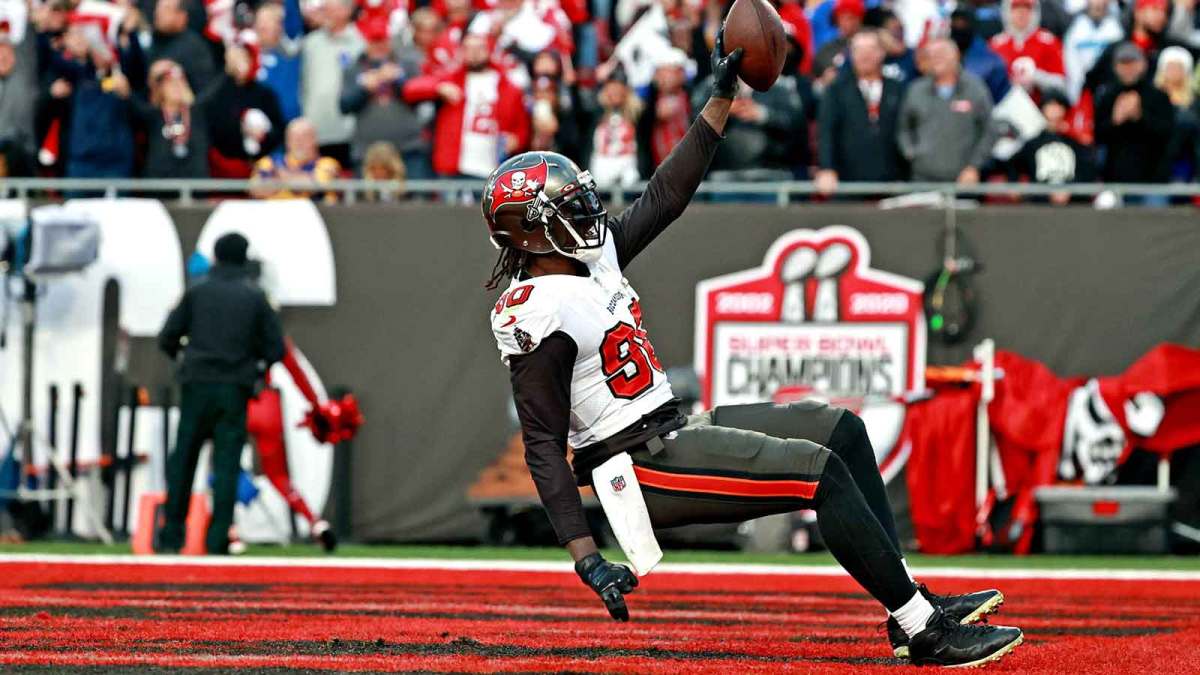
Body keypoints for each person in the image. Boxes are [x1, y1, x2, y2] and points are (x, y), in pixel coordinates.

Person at [481, 28, 1024, 669]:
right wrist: (587, 557)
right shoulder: (536, 308)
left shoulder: (586, 259)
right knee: (819, 472)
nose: (590, 210)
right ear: (534, 228)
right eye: (570, 204)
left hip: (671, 428)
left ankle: (911, 604)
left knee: (841, 430)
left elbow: (665, 195)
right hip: (639, 467)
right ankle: (924, 632)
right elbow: (543, 444)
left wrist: (720, 98)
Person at [157, 232, 286, 555]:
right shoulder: (255, 297)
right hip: (234, 388)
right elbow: (275, 348)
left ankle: (172, 536)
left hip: (197, 385)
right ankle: (217, 540)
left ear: (216, 257)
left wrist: (184, 360)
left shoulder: (197, 292)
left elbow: (167, 337)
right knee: (227, 464)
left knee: (184, 460)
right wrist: (253, 368)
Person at [401, 31, 528, 178]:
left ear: (489, 50)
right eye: (469, 49)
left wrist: (516, 140)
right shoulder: (452, 79)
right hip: (454, 167)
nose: (474, 54)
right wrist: (438, 88)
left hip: (494, 169)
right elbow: (410, 89)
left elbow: (521, 128)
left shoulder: (509, 87)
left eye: (479, 48)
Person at [817, 29, 907, 194]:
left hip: (891, 181)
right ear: (851, 55)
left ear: (882, 53)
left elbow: (906, 131)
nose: (865, 55)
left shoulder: (897, 89)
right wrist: (827, 168)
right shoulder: (836, 89)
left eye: (871, 49)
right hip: (847, 181)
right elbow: (826, 131)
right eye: (859, 50)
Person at [898, 38, 998, 184]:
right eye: (931, 55)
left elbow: (989, 130)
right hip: (923, 179)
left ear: (956, 55)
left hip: (963, 180)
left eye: (941, 53)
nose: (936, 58)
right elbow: (903, 128)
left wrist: (974, 166)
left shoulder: (976, 89)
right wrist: (910, 152)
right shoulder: (915, 90)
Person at [1094, 42, 1175, 184]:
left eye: (1132, 63)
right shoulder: (1107, 96)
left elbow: (1167, 135)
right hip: (1115, 178)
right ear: (1115, 67)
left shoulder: (1158, 96)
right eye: (1123, 64)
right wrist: (1115, 120)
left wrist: (1139, 116)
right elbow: (1097, 136)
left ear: (1143, 64)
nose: (1128, 69)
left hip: (1153, 179)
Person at [205, 40, 286, 178]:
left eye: (245, 58)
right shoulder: (218, 92)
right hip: (224, 167)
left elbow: (278, 130)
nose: (240, 64)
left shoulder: (265, 94)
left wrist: (263, 136)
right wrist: (240, 127)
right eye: (236, 58)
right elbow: (212, 124)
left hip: (260, 167)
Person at [300, 0, 364, 168]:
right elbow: (303, 83)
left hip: (350, 131)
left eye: (329, 9)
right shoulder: (310, 43)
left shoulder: (360, 42)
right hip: (316, 131)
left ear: (347, 11)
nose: (324, 13)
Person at [1011, 88, 1097, 203]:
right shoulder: (1033, 144)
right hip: (1040, 207)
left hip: (1073, 208)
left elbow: (1088, 175)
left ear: (1064, 109)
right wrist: (1014, 187)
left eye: (1058, 105)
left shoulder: (1075, 143)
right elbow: (1012, 164)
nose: (1054, 110)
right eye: (1050, 104)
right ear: (1042, 109)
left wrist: (1070, 191)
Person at [133, 59, 211, 178]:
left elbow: (216, 93)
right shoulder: (152, 115)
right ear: (160, 88)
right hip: (159, 189)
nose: (177, 86)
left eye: (180, 81)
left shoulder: (199, 112)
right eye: (170, 82)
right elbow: (131, 101)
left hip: (196, 188)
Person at [989, 0, 1067, 100]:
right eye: (1016, 8)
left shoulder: (1048, 42)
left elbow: (1062, 84)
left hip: (1040, 107)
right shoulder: (996, 45)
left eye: (1027, 9)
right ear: (1007, 11)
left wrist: (1036, 76)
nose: (1021, 13)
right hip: (1005, 106)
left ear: (1035, 12)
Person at [251, 117, 343, 202]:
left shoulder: (328, 163)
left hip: (315, 216)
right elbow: (255, 189)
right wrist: (298, 180)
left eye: (304, 137)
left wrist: (279, 178)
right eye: (294, 137)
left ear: (315, 140)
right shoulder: (268, 162)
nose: (299, 142)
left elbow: (317, 185)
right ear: (287, 141)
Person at [147, 0, 218, 93]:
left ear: (182, 16)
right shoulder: (154, 40)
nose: (158, 13)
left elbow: (205, 90)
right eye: (158, 8)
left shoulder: (194, 48)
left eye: (166, 9)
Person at [1062, 0, 1123, 102]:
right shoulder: (1076, 29)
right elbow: (1070, 63)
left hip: (1107, 90)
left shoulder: (1115, 30)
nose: (1098, 4)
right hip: (1080, 90)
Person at [254, 2, 302, 123]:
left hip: (289, 124)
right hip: (262, 129)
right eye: (260, 21)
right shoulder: (250, 58)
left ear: (280, 26)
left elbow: (293, 20)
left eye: (268, 21)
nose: (262, 26)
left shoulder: (289, 53)